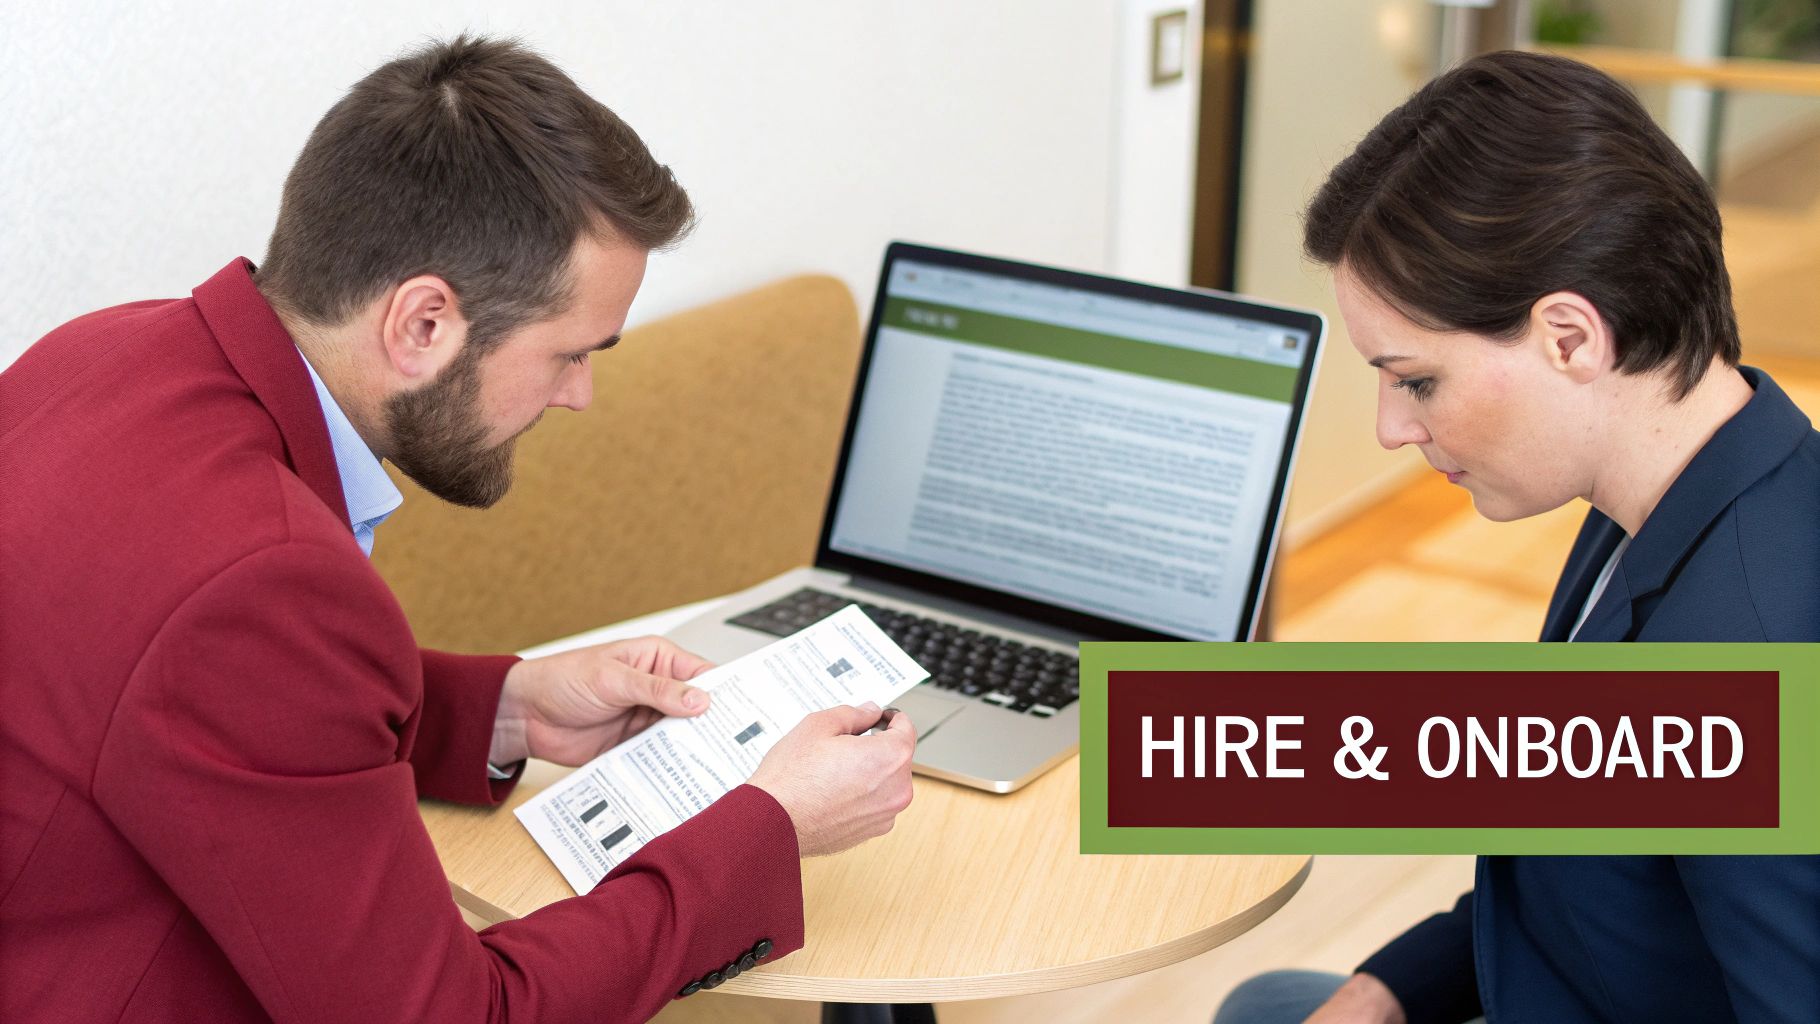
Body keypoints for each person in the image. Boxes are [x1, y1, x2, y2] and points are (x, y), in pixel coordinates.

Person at [0, 36, 915, 1024]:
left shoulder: (102, 351)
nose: (580, 396)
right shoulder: (259, 580)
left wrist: (508, 708)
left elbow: (199, 705)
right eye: (570, 352)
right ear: (422, 323)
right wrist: (770, 825)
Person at [1215, 51, 1820, 1024]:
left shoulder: (1741, 654)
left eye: (1415, 379)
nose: (1391, 427)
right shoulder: (1670, 494)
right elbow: (1580, 870)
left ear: (1570, 338)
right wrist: (1386, 989)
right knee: (1268, 1002)